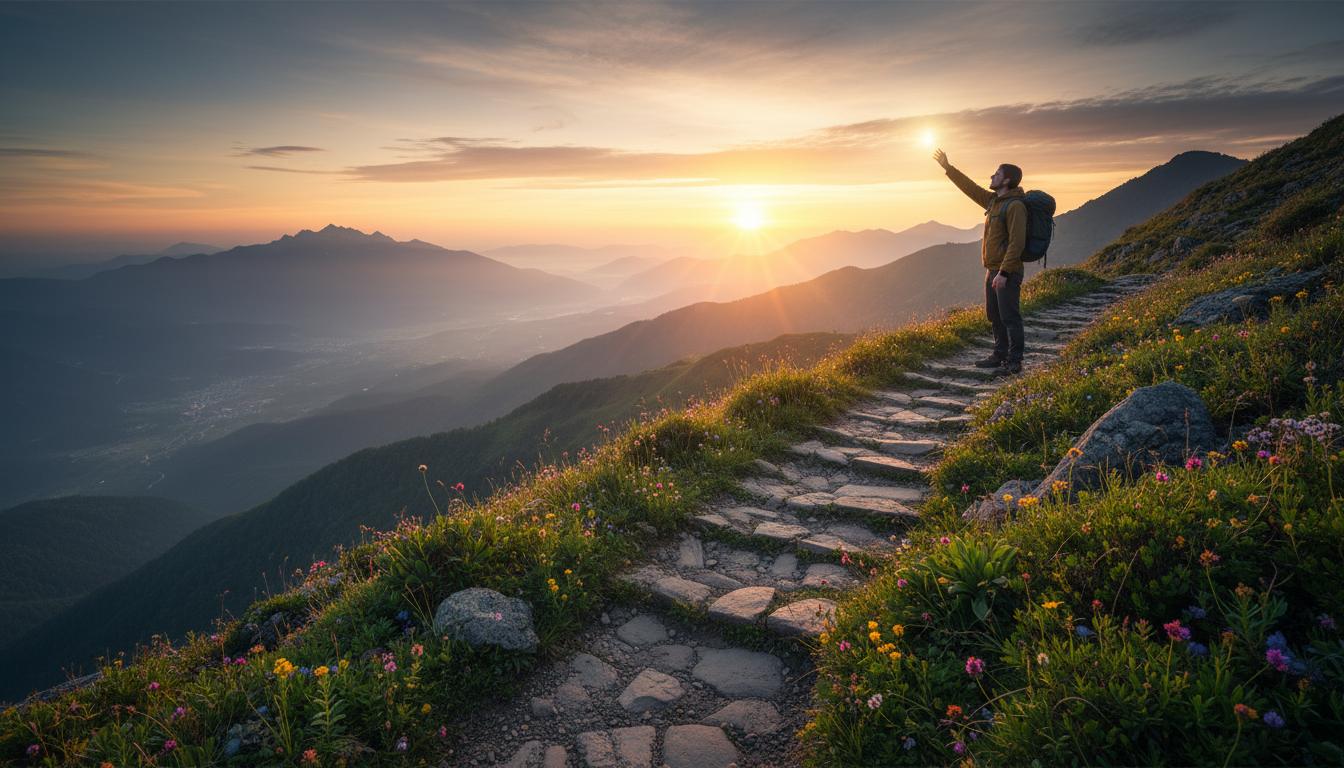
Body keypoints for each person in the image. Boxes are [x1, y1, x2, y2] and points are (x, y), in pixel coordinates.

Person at [932, 148, 1027, 375]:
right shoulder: (994, 201)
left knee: (1010, 317)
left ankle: (1015, 360)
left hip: (1007, 272)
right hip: (992, 270)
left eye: (996, 174)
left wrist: (1004, 273)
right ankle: (999, 354)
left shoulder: (1015, 206)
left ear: (1006, 180)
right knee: (994, 315)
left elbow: (1017, 243)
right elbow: (970, 189)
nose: (991, 177)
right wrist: (948, 168)